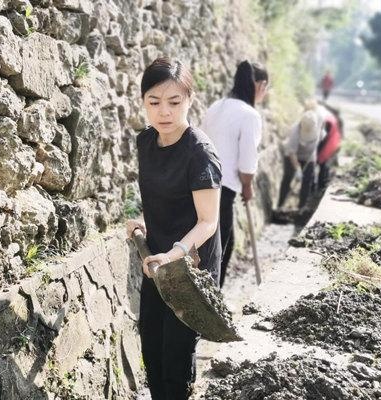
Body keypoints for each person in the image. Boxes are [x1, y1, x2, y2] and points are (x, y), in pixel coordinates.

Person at [125, 57, 222, 400]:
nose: (163, 111)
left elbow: (208, 220)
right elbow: (161, 197)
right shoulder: (145, 143)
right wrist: (145, 223)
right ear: (143, 102)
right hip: (157, 263)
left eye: (174, 102)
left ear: (190, 101)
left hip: (190, 268)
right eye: (154, 102)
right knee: (151, 348)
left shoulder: (200, 153)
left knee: (175, 355)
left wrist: (175, 253)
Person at [200, 61, 269, 288]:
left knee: (212, 247)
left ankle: (209, 295)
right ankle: (211, 299)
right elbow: (247, 162)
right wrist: (247, 187)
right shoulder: (250, 115)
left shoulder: (216, 106)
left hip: (199, 186)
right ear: (260, 85)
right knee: (220, 249)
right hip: (223, 190)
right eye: (265, 88)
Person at [277, 109, 325, 209]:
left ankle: (301, 209)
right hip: (293, 155)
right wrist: (298, 169)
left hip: (309, 156)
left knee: (307, 181)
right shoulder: (295, 130)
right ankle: (280, 205)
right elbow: (292, 152)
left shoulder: (319, 123)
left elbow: (321, 137)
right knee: (288, 178)